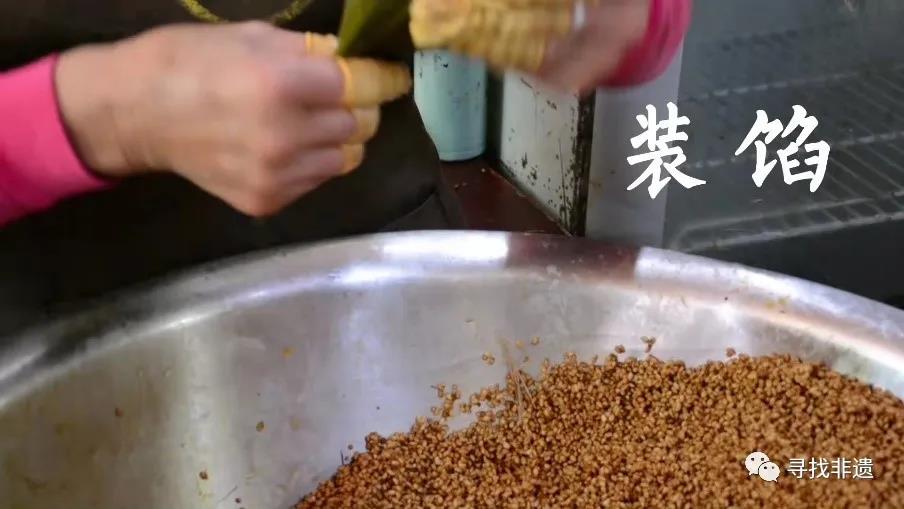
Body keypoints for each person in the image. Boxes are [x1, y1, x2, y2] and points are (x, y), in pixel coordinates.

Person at [0, 0, 690, 335]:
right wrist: (110, 115)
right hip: (59, 327)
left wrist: (601, 17)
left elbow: (646, 26)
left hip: (386, 277)